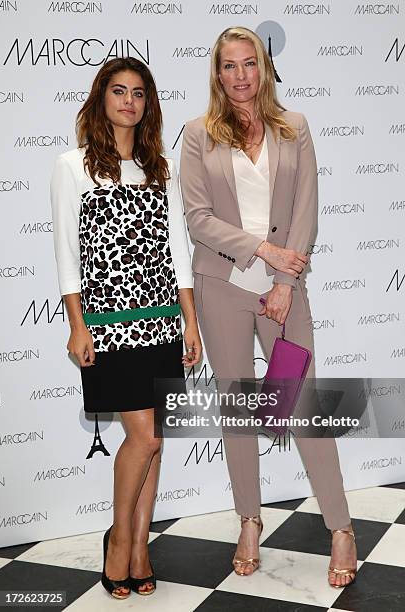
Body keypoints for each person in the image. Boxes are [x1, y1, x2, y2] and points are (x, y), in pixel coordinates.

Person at [180, 26, 357, 588]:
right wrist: (261, 250)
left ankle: (342, 528)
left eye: (248, 64)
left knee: (300, 404)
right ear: (217, 73)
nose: (239, 76)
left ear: (263, 67)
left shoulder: (294, 128)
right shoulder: (195, 135)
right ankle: (249, 521)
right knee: (237, 411)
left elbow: (307, 208)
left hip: (284, 292)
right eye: (228, 66)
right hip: (222, 288)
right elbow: (197, 218)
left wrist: (283, 278)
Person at [51, 57, 202, 599]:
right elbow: (68, 256)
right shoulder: (73, 166)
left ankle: (140, 545)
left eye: (139, 94)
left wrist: (189, 320)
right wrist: (76, 325)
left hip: (162, 319)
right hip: (110, 326)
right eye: (119, 91)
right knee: (147, 436)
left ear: (147, 105)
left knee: (156, 443)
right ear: (102, 98)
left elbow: (177, 251)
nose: (128, 102)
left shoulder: (159, 166)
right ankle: (119, 541)